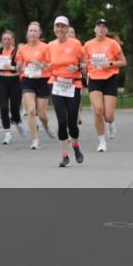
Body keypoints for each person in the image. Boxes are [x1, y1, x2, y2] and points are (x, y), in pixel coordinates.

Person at [47, 16, 86, 168]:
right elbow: (46, 63)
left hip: (73, 85)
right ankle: (65, 155)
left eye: (63, 26)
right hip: (56, 84)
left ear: (68, 28)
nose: (60, 29)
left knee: (72, 122)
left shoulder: (76, 44)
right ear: (54, 28)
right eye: (57, 26)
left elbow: (84, 63)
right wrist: (43, 67)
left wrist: (76, 67)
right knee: (61, 121)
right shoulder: (50, 45)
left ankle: (75, 145)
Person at [83, 18, 127, 152]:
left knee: (108, 115)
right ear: (95, 29)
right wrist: (84, 72)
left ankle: (111, 123)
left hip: (110, 79)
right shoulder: (88, 45)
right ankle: (102, 141)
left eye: (103, 27)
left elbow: (124, 62)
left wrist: (111, 64)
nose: (101, 29)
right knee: (97, 111)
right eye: (99, 26)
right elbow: (85, 63)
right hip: (94, 79)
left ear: (106, 30)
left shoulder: (113, 44)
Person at [16, 21, 53, 149]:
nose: (33, 33)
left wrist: (41, 65)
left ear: (39, 33)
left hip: (43, 80)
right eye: (31, 31)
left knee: (42, 114)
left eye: (35, 31)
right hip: (28, 80)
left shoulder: (46, 47)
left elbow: (51, 65)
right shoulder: (22, 49)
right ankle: (35, 140)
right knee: (31, 110)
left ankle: (46, 126)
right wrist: (19, 66)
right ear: (27, 33)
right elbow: (19, 68)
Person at [0, 30, 24, 145]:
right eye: (4, 39)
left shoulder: (17, 52)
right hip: (2, 81)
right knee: (3, 107)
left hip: (14, 80)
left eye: (9, 39)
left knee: (15, 108)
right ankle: (7, 133)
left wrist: (12, 67)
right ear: (2, 40)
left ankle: (18, 121)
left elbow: (21, 69)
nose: (6, 41)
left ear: (13, 40)